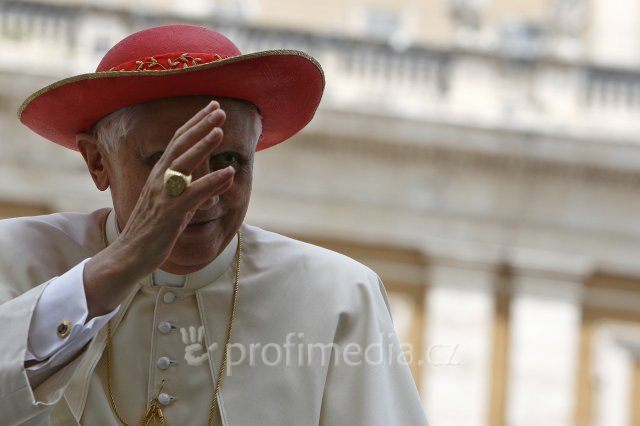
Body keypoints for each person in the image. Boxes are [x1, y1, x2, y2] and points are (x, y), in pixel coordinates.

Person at [0, 24, 428, 425]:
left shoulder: (339, 296)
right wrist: (116, 268)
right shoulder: (15, 258)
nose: (202, 194)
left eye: (228, 161)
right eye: (169, 165)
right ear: (98, 161)